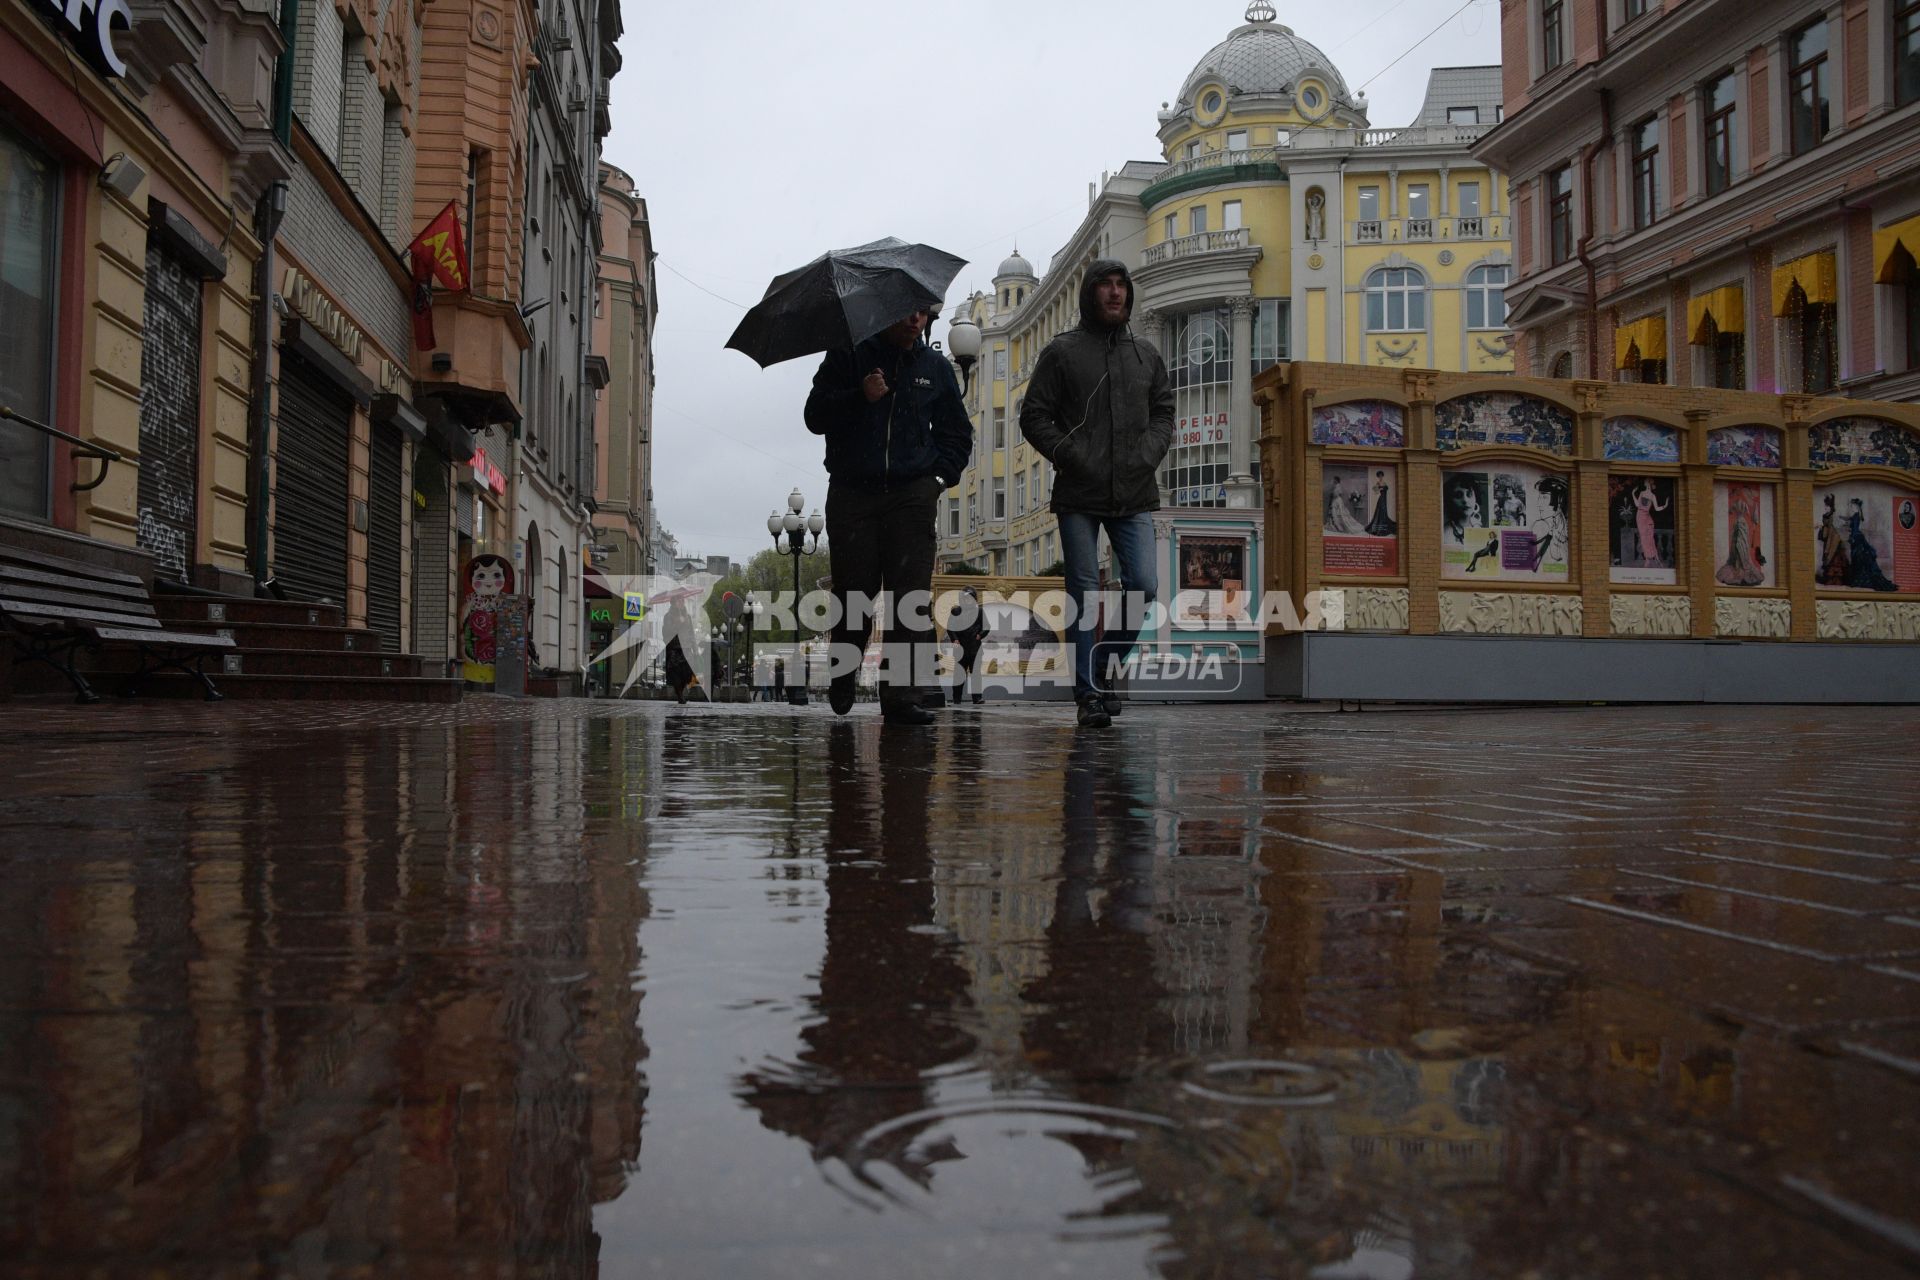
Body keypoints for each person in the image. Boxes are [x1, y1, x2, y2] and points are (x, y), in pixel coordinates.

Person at [1020, 259, 1174, 729]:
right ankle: (1088, 693)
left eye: (1120, 285)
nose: (1114, 293)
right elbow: (1034, 416)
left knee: (1144, 586)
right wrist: (1072, 454)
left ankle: (1104, 664)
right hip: (1079, 491)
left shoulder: (1145, 354)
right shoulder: (1063, 352)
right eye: (1105, 285)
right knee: (1083, 592)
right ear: (1090, 293)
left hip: (1135, 489)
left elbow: (1165, 411)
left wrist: (1147, 453)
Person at [805, 306, 972, 726]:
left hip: (911, 494)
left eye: (922, 313)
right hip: (852, 493)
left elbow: (957, 432)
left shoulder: (934, 367)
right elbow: (814, 416)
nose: (914, 320)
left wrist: (939, 477)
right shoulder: (848, 355)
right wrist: (859, 395)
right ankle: (844, 672)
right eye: (905, 312)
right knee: (854, 595)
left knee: (909, 598)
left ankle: (901, 696)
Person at [943, 586, 987, 705]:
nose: (968, 601)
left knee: (976, 674)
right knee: (959, 675)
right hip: (960, 648)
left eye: (970, 598)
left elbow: (986, 627)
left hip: (975, 648)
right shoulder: (956, 611)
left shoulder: (980, 611)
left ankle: (977, 698)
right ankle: (957, 698)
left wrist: (980, 635)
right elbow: (950, 627)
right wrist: (955, 639)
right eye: (965, 598)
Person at [1634, 477, 1669, 567]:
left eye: (1647, 482)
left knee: (1650, 538)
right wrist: (1632, 493)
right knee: (1644, 538)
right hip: (1640, 516)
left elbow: (1657, 508)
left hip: (1647, 517)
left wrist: (1665, 505)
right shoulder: (1642, 493)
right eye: (1646, 482)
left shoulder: (1652, 496)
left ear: (1649, 484)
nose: (1646, 484)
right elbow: (1638, 505)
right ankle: (1647, 559)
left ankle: (1656, 558)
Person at [1363, 469, 1397, 537]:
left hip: (1385, 498)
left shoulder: (1384, 482)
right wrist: (1379, 489)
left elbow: (1386, 489)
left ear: (1382, 476)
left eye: (1381, 475)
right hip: (1381, 498)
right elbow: (1375, 491)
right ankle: (1379, 526)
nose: (1380, 477)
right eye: (1379, 476)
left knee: (1384, 510)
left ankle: (1384, 523)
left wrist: (1382, 488)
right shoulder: (1378, 483)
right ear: (1378, 476)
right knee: (1380, 510)